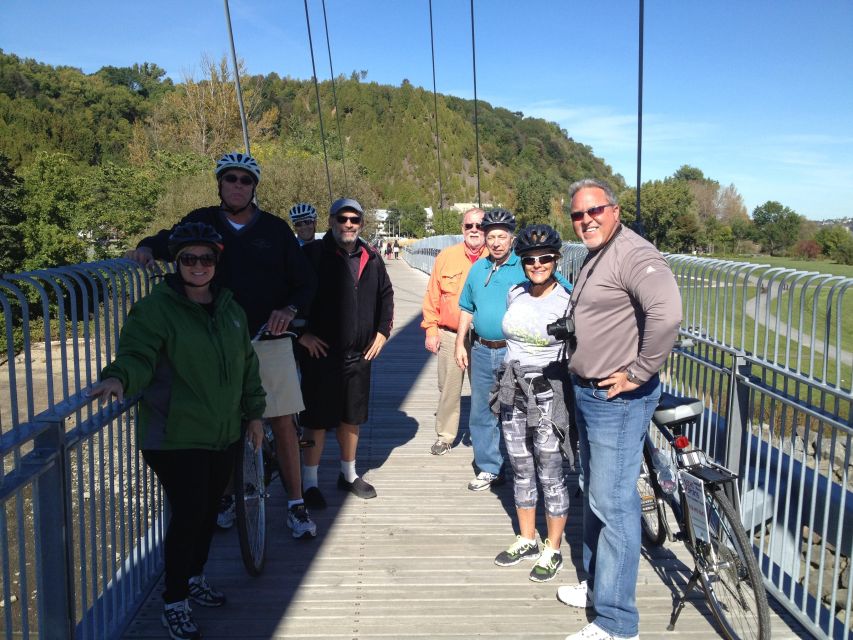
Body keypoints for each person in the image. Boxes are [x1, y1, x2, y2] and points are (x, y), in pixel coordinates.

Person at [125, 152, 319, 540]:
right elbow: (171, 242)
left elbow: (305, 280)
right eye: (230, 178)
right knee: (230, 424)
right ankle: (228, 496)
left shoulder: (277, 230)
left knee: (281, 420)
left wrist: (289, 308)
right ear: (219, 184)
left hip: (269, 336)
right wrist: (146, 245)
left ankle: (296, 503)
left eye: (245, 180)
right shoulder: (202, 220)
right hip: (218, 341)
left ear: (254, 187)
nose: (237, 185)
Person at [90, 222, 266, 640]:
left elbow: (248, 367)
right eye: (189, 258)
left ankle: (193, 577)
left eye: (206, 258)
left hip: (222, 431)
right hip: (174, 435)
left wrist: (255, 414)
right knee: (189, 514)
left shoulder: (229, 308)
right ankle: (174, 601)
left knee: (207, 512)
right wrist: (118, 378)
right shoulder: (157, 309)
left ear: (216, 262)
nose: (198, 266)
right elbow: (137, 354)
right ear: (177, 263)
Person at [556, 179, 682, 640]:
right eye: (577, 215)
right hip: (591, 392)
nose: (586, 220)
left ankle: (615, 621)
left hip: (619, 400)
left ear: (615, 210)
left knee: (615, 503)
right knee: (596, 492)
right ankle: (596, 585)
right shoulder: (599, 252)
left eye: (594, 211)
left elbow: (666, 315)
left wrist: (639, 371)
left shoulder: (635, 253)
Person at [297, 197, 394, 507]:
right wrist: (302, 334)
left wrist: (382, 332)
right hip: (320, 355)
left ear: (361, 224)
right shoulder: (311, 255)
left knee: (351, 418)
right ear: (331, 222)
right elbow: (287, 294)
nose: (348, 224)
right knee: (315, 420)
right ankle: (309, 483)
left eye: (354, 220)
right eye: (342, 219)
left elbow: (387, 296)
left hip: (359, 354)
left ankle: (348, 474)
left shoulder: (372, 257)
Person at [492, 224, 573, 583]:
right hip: (513, 389)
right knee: (520, 465)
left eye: (545, 258)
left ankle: (552, 547)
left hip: (547, 392)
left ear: (556, 260)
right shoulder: (515, 292)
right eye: (530, 260)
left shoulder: (568, 301)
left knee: (550, 470)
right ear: (521, 263)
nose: (537, 264)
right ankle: (526, 538)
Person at [420, 208, 486, 455]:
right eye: (469, 226)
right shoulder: (446, 256)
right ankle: (446, 436)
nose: (474, 230)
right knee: (448, 388)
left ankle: (484, 439)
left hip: (483, 337)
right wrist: (431, 330)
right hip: (448, 333)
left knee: (484, 389)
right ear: (462, 229)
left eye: (480, 226)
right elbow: (432, 295)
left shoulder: (496, 257)